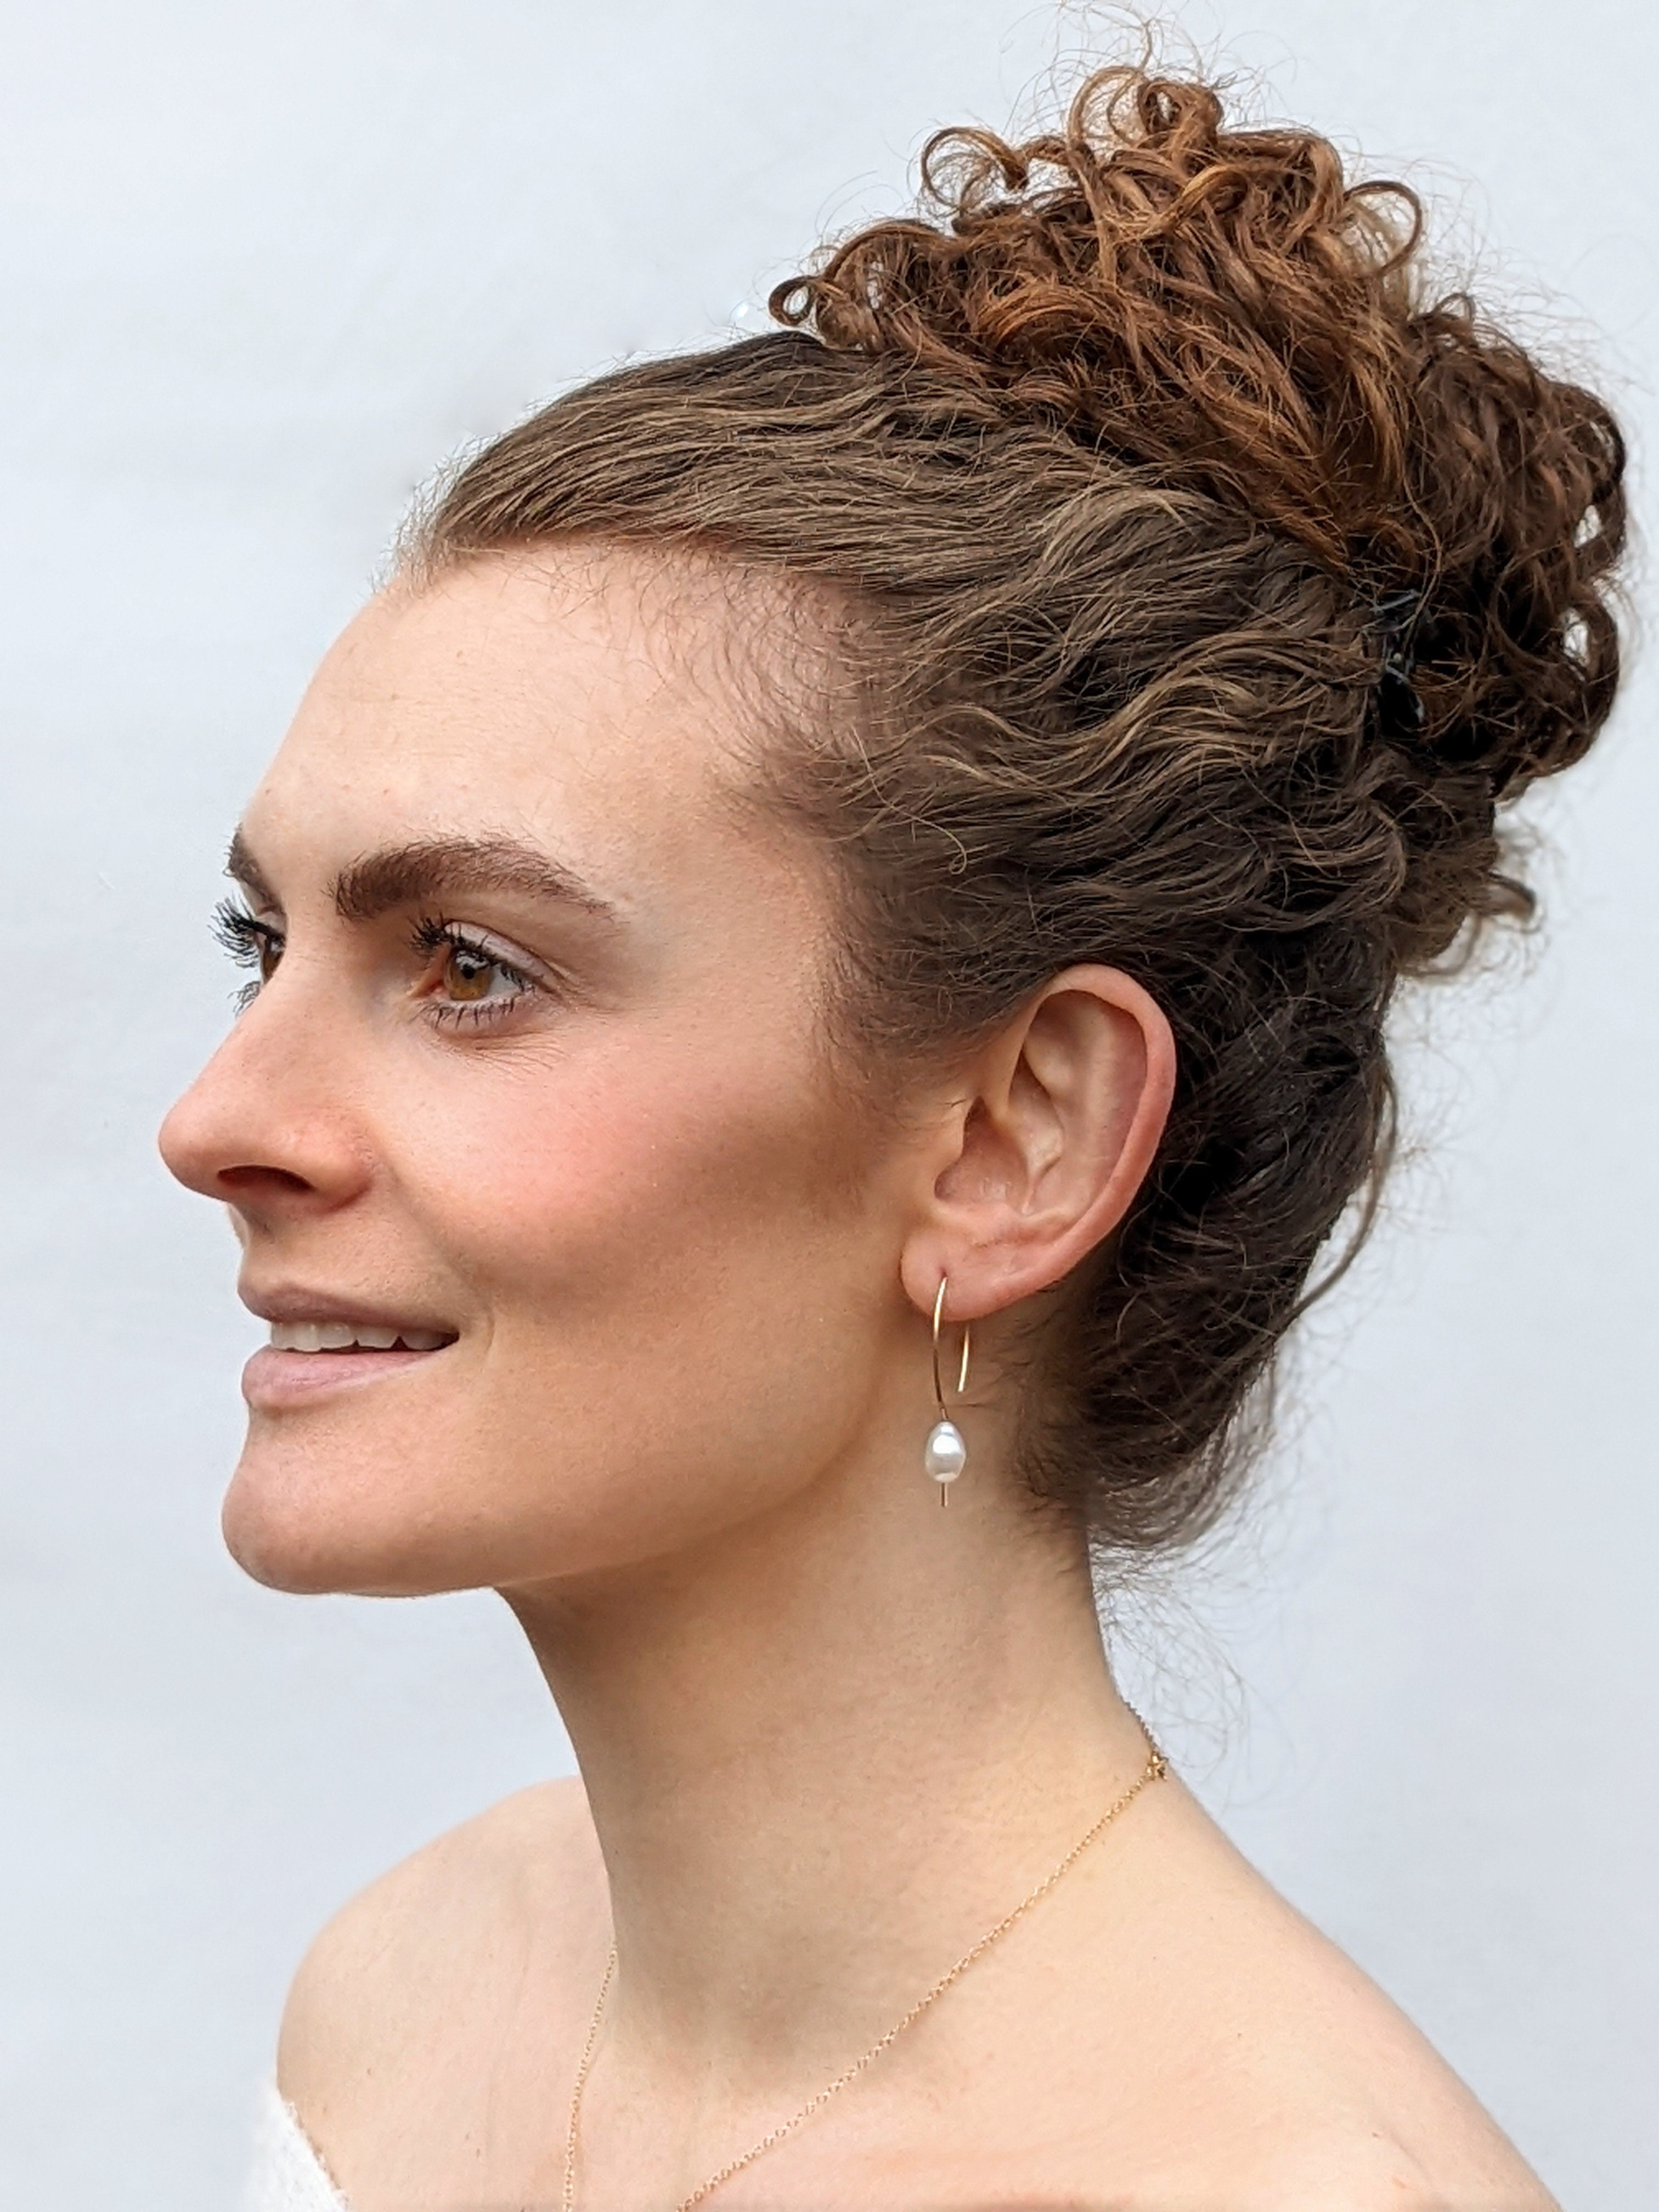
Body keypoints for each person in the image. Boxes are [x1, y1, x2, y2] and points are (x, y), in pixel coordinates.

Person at [160, 57, 1624, 2212]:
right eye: (259, 943)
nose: (217, 1122)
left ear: (1017, 1138)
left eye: (469, 964)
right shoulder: (401, 2005)